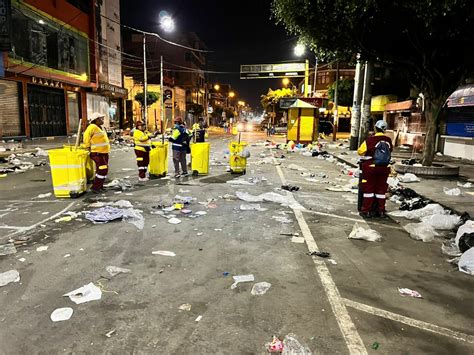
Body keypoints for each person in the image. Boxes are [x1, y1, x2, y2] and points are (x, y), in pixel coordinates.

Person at [357, 120, 393, 218]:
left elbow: (360, 151)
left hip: (371, 167)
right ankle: (381, 211)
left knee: (369, 189)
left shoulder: (370, 140)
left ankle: (366, 211)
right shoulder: (388, 140)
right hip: (385, 168)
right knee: (381, 189)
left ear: (375, 128)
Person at [83, 112, 110, 194]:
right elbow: (86, 137)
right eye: (100, 118)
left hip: (104, 152)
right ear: (95, 120)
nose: (102, 120)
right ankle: (95, 187)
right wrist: (87, 147)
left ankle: (100, 186)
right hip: (97, 153)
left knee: (103, 170)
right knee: (102, 170)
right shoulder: (92, 127)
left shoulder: (100, 127)